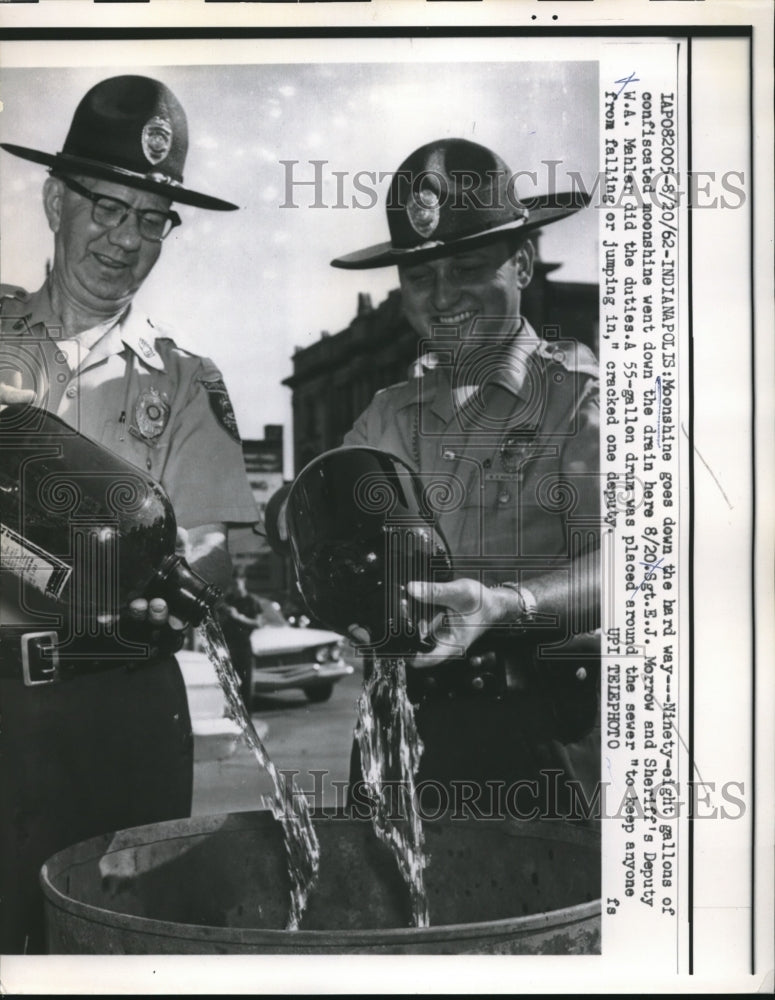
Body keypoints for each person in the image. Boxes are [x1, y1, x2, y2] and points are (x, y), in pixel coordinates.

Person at [0, 75, 259, 953]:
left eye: (152, 219)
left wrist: (181, 583)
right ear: (55, 202)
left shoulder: (185, 381)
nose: (125, 239)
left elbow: (213, 545)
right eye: (107, 208)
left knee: (116, 946)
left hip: (120, 703)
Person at [274, 138, 601, 823]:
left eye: (468, 267)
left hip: (543, 732)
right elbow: (316, 515)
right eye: (420, 276)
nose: (442, 296)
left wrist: (507, 605)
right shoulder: (386, 417)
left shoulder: (580, 400)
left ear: (521, 262)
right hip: (400, 732)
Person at [219, 567, 264, 706]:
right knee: (229, 682)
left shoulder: (251, 601)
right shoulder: (228, 600)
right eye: (233, 581)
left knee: (245, 684)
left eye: (238, 580)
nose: (236, 584)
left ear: (243, 580)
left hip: (243, 646)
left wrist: (239, 617)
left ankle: (247, 715)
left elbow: (258, 623)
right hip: (228, 645)